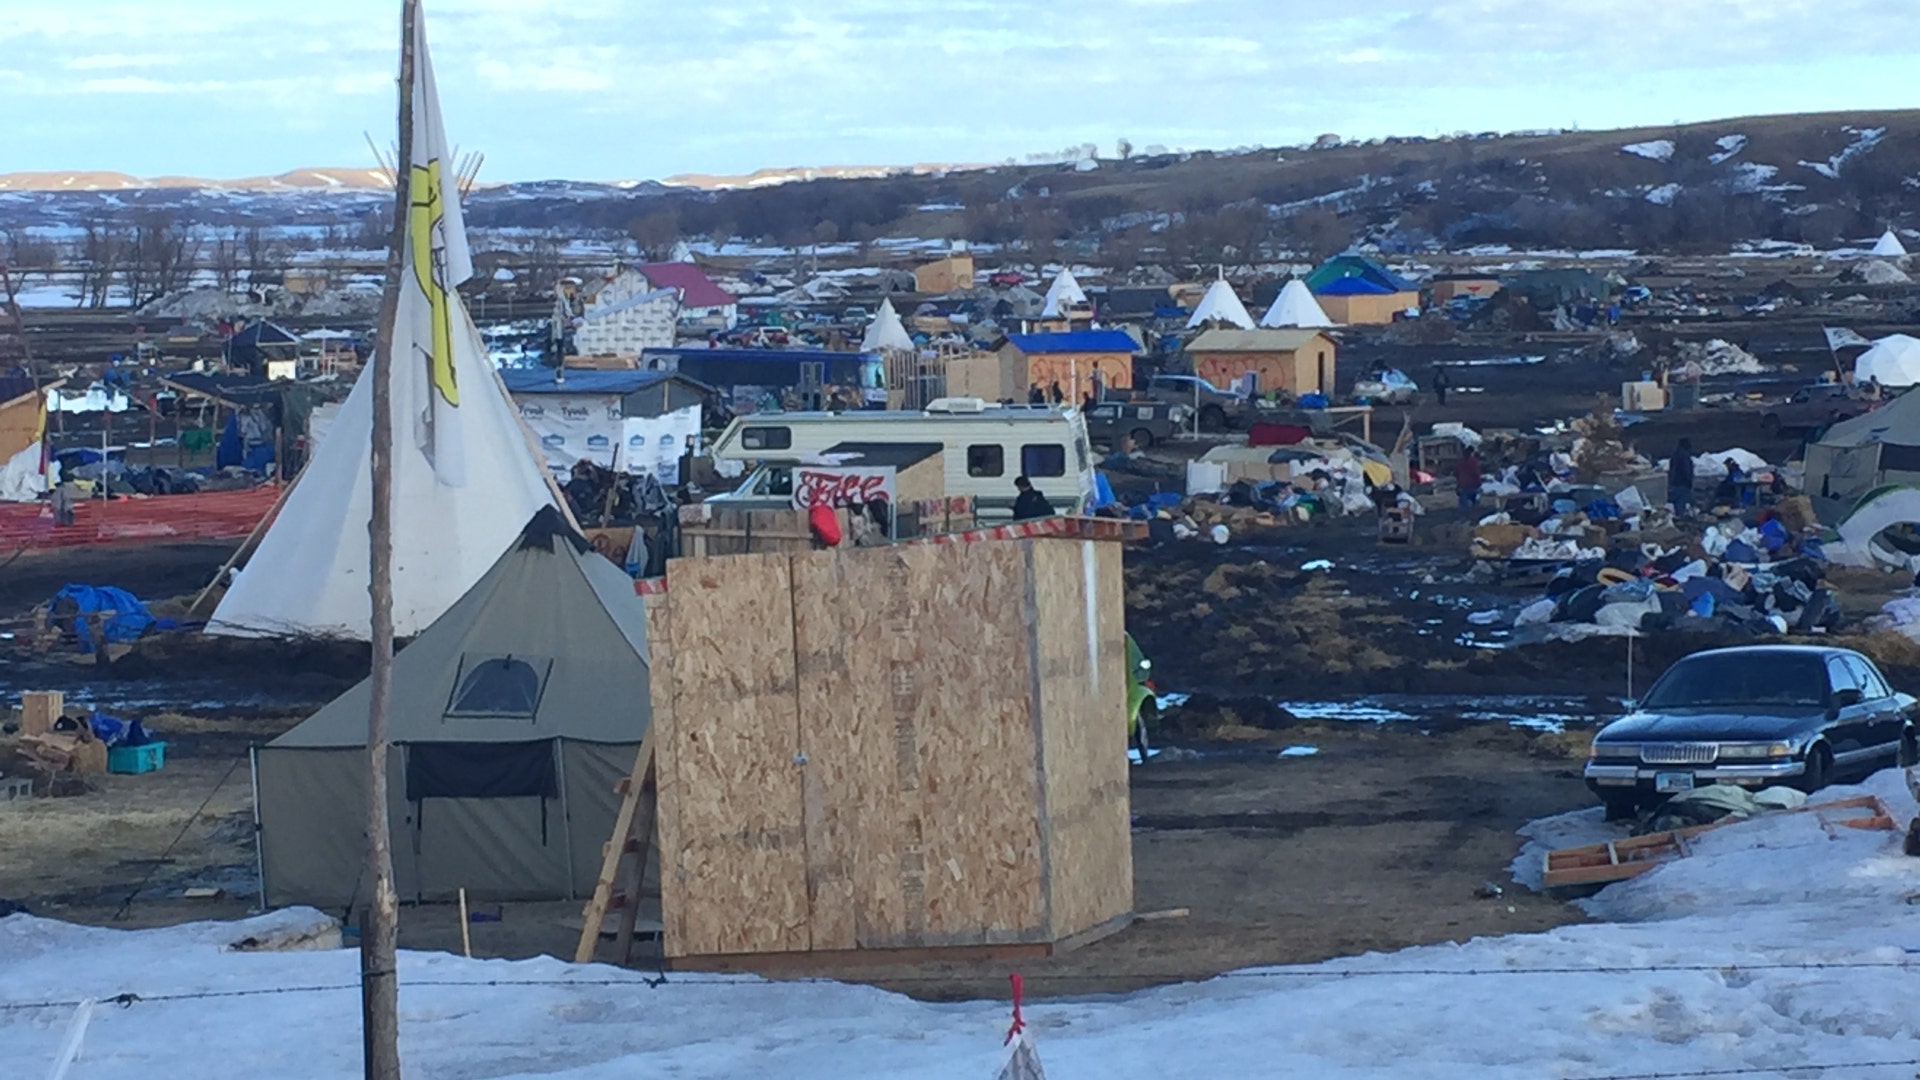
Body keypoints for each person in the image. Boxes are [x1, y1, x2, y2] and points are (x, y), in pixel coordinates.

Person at [1669, 438, 1695, 517]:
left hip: (1674, 483)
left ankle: (1678, 517)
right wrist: (1689, 482)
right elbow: (1686, 470)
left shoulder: (1674, 454)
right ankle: (1681, 518)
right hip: (1683, 483)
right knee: (1681, 502)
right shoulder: (1685, 456)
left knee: (1677, 503)